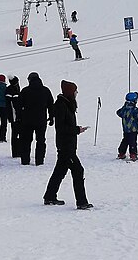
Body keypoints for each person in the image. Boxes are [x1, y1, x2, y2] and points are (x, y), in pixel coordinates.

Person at [43, 80, 91, 209]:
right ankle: (81, 202)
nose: (76, 93)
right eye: (75, 90)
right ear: (70, 92)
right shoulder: (61, 105)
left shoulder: (67, 104)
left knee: (60, 171)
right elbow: (61, 128)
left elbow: (66, 126)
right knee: (78, 170)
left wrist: (76, 129)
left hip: (68, 144)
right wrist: (76, 130)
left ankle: (50, 196)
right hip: (65, 146)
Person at [17, 72, 55, 166]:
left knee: (26, 140)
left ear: (29, 80)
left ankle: (25, 160)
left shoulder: (25, 91)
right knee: (41, 140)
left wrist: (19, 117)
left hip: (27, 120)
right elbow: (51, 105)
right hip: (41, 120)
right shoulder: (45, 90)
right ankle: (39, 160)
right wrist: (51, 117)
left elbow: (18, 106)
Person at [116, 92, 138, 160]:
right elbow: (137, 119)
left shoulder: (124, 109)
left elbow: (118, 113)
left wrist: (124, 106)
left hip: (125, 129)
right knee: (133, 142)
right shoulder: (135, 109)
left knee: (125, 140)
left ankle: (121, 153)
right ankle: (133, 154)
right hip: (133, 129)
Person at [5, 77, 23, 158]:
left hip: (13, 115)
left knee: (15, 133)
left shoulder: (9, 89)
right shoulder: (13, 89)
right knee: (17, 133)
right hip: (15, 115)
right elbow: (14, 104)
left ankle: (16, 151)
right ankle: (17, 152)